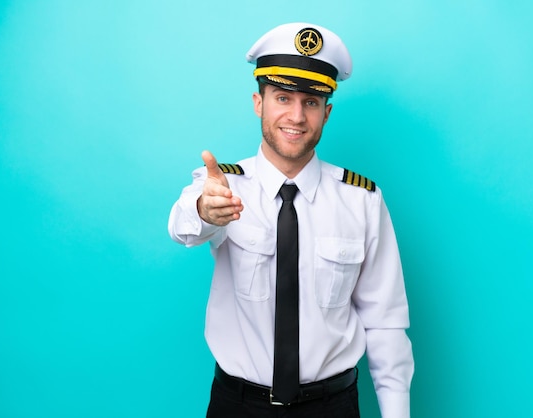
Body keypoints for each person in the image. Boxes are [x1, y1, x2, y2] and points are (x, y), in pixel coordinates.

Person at [168, 22, 414, 418]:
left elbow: (385, 322)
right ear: (258, 102)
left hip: (332, 406)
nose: (296, 116)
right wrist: (203, 211)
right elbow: (182, 226)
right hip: (239, 406)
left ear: (326, 112)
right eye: (283, 97)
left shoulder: (362, 199)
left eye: (311, 102)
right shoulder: (223, 186)